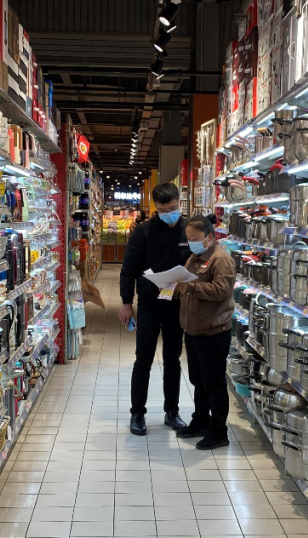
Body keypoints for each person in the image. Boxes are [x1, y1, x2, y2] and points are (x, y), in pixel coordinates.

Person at [119, 183, 190, 436]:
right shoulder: (143, 231)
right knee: (143, 359)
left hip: (176, 304)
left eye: (173, 208)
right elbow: (128, 268)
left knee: (173, 359)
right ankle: (137, 413)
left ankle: (172, 411)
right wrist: (126, 302)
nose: (169, 214)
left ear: (179, 203)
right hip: (149, 303)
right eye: (163, 210)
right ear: (155, 207)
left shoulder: (188, 229)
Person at [174, 214, 236, 450]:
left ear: (209, 237)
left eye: (195, 238)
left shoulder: (221, 259)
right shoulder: (195, 257)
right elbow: (185, 283)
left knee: (214, 383)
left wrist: (191, 288)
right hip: (193, 329)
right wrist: (172, 286)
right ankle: (200, 420)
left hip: (213, 331)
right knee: (198, 380)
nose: (191, 242)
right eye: (188, 238)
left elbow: (222, 290)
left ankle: (219, 432)